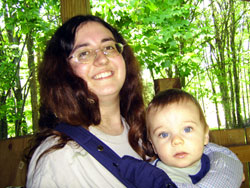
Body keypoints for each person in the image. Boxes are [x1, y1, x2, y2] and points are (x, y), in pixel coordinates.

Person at [26, 15, 243, 188]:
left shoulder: (141, 133)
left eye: (109, 47)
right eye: (83, 53)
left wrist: (227, 169)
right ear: (62, 71)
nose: (101, 58)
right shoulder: (60, 159)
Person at [146, 88, 210, 184]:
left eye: (187, 129)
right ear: (154, 146)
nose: (176, 140)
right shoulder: (161, 179)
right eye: (164, 134)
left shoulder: (212, 159)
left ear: (205, 135)